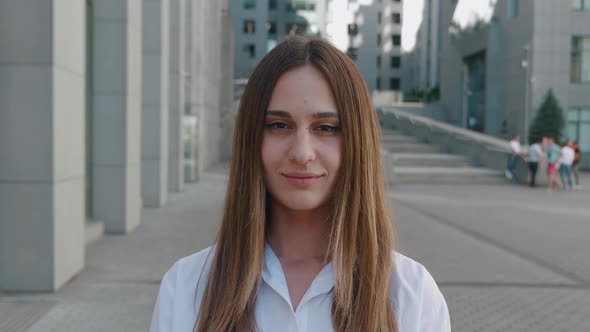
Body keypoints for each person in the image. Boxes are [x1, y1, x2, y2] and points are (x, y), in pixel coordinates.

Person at [150, 36, 450, 332]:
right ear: (251, 139)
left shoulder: (412, 294)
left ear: (358, 142)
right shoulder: (186, 288)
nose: (302, 153)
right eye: (279, 125)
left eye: (326, 128)